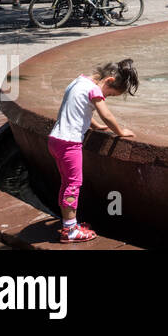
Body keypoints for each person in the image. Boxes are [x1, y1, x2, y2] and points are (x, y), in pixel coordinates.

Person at [47, 58, 138, 242]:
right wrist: (120, 132)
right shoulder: (94, 89)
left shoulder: (78, 81)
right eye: (110, 95)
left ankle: (68, 224)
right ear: (109, 81)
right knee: (73, 185)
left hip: (55, 139)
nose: (106, 97)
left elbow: (78, 109)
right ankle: (71, 231)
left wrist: (94, 126)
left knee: (66, 183)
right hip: (69, 143)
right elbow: (106, 114)